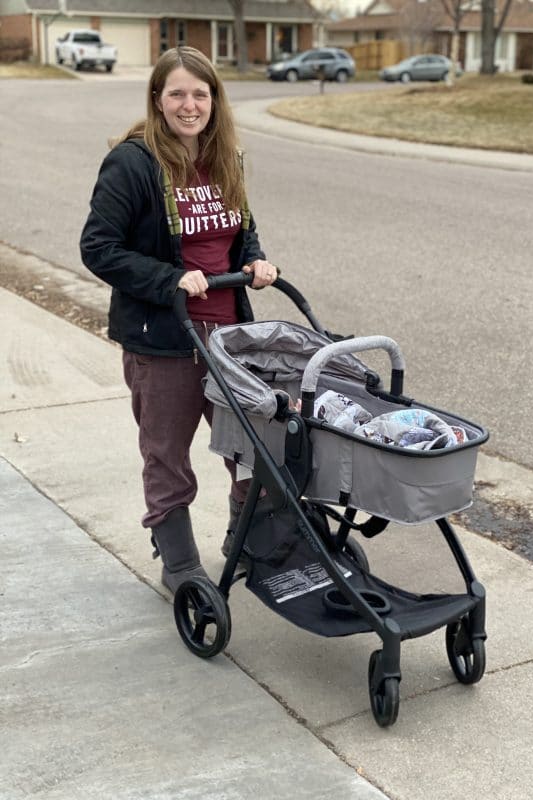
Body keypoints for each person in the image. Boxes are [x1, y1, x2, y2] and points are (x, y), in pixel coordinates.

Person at [80, 46, 278, 593]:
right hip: (164, 339)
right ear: (158, 99)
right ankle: (180, 563)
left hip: (229, 335)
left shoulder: (225, 157)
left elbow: (240, 230)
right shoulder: (134, 162)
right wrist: (168, 279)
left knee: (252, 448)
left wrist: (254, 262)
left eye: (200, 93)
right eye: (177, 94)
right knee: (167, 457)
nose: (189, 105)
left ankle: (247, 543)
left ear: (215, 100)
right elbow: (98, 248)